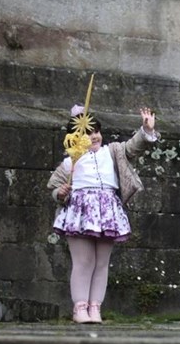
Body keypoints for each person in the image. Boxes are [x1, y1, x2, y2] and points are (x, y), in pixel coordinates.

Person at [48, 106, 159, 324]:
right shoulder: (70, 162)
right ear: (76, 138)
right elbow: (54, 187)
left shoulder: (113, 151)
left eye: (96, 131)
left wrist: (146, 130)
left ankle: (95, 307)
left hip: (107, 212)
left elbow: (133, 147)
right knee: (83, 261)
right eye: (87, 133)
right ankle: (80, 307)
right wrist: (59, 193)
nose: (94, 136)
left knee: (101, 263)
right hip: (80, 213)